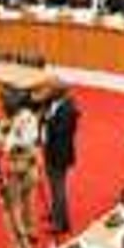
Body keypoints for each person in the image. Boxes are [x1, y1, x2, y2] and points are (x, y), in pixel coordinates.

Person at [0, 95, 41, 248]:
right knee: (28, 199)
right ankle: (31, 231)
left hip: (16, 169)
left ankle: (21, 247)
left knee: (10, 209)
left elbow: (6, 147)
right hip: (33, 166)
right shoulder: (30, 116)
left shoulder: (14, 126)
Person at [40, 85, 80, 235]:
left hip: (59, 154)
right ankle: (56, 213)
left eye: (50, 90)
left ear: (58, 93)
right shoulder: (53, 104)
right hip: (51, 151)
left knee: (58, 188)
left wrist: (47, 121)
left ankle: (61, 223)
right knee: (54, 186)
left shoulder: (68, 110)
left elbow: (60, 131)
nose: (47, 92)